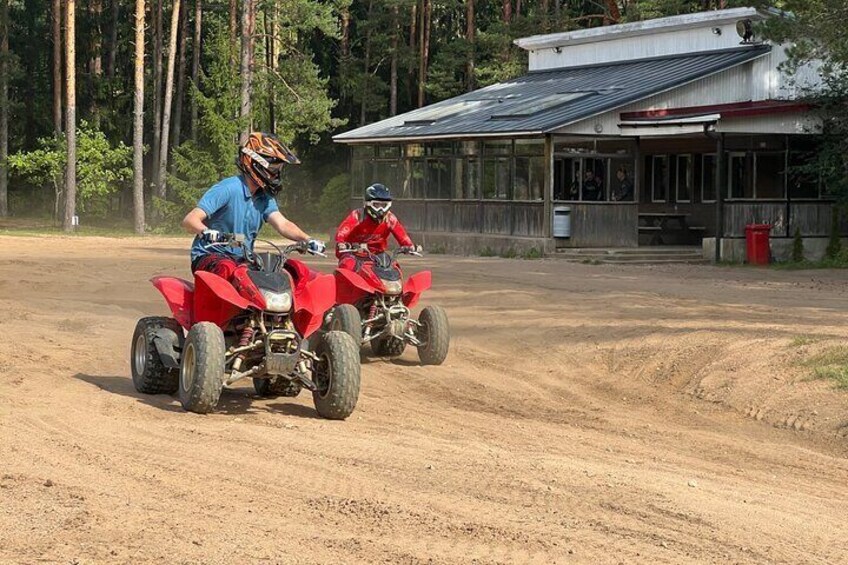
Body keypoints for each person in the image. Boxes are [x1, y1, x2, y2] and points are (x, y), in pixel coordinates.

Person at [181, 132, 324, 301]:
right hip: (210, 256)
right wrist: (207, 232)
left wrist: (308, 240)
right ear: (256, 164)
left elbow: (283, 224)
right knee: (227, 268)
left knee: (287, 270)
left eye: (278, 170)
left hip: (242, 258)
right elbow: (190, 220)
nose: (276, 175)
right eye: (273, 170)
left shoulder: (264, 197)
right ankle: (212, 319)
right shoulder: (228, 188)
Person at [334, 183, 416, 272]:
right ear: (367, 203)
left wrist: (409, 246)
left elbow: (403, 236)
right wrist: (341, 242)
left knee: (393, 268)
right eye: (377, 205)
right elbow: (343, 231)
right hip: (354, 253)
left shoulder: (390, 218)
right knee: (348, 265)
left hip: (378, 255)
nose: (381, 209)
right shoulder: (358, 215)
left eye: (384, 205)